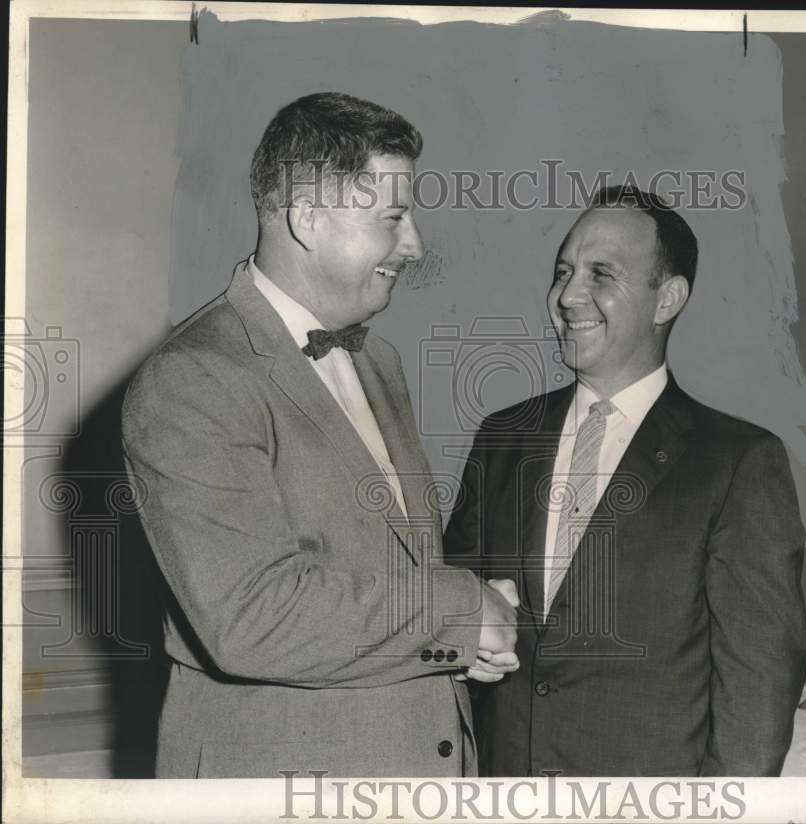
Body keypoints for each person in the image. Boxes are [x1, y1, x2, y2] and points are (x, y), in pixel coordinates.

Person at [122, 92, 517, 778]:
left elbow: (382, 577)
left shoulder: (380, 361)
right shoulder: (191, 379)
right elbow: (252, 618)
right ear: (307, 218)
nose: (415, 245)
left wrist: (464, 643)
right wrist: (462, 611)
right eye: (393, 218)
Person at [444, 185, 806, 776]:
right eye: (562, 272)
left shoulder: (739, 462)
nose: (567, 296)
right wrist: (463, 645)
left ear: (666, 299)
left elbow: (760, 688)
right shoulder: (503, 436)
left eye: (600, 274)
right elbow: (451, 597)